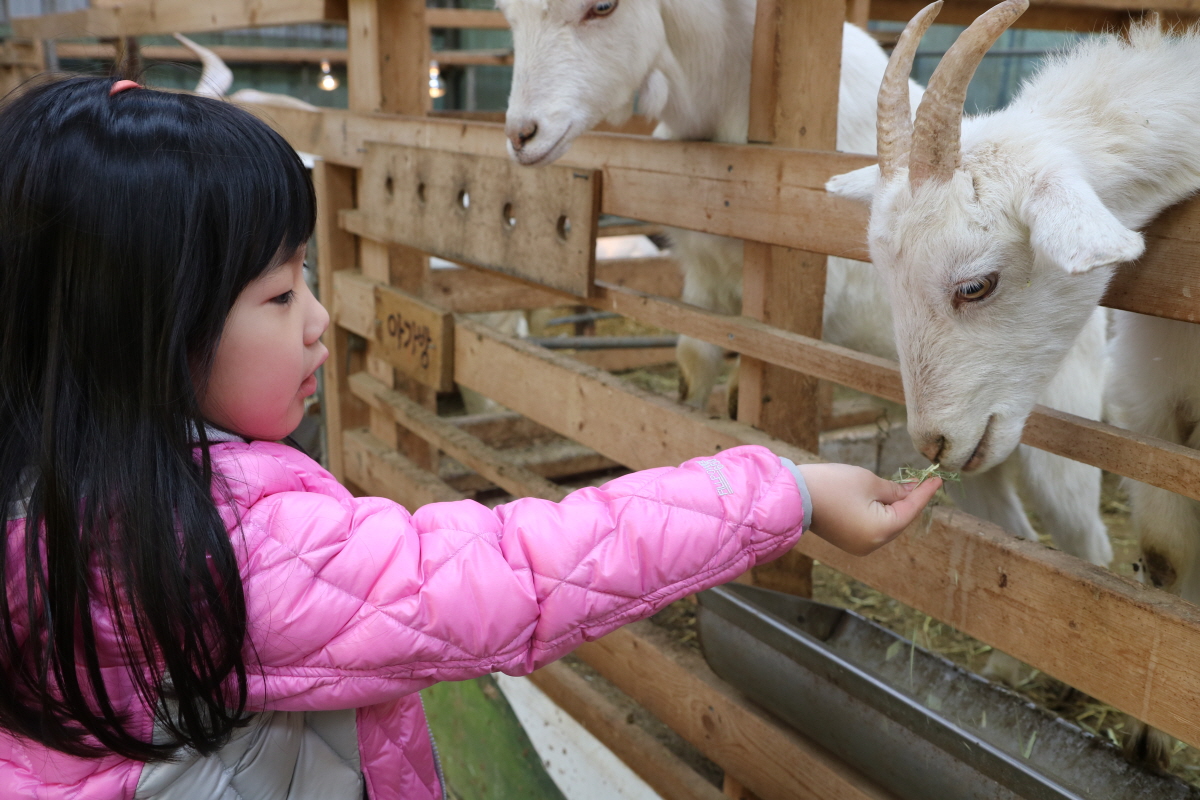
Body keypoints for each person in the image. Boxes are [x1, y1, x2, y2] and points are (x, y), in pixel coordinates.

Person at [0, 77, 941, 800]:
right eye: (283, 295)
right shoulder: (231, 549)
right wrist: (787, 491)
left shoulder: (45, 490)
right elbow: (520, 575)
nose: (321, 320)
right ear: (144, 333)